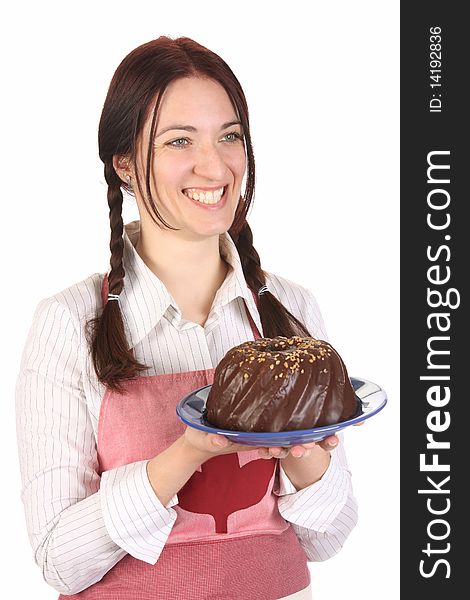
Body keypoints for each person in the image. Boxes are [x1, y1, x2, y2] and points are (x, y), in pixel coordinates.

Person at [15, 36, 358, 600]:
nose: (214, 165)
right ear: (124, 163)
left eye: (230, 136)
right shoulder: (69, 323)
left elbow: (329, 538)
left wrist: (303, 458)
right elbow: (59, 561)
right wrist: (187, 453)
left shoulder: (291, 311)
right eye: (180, 140)